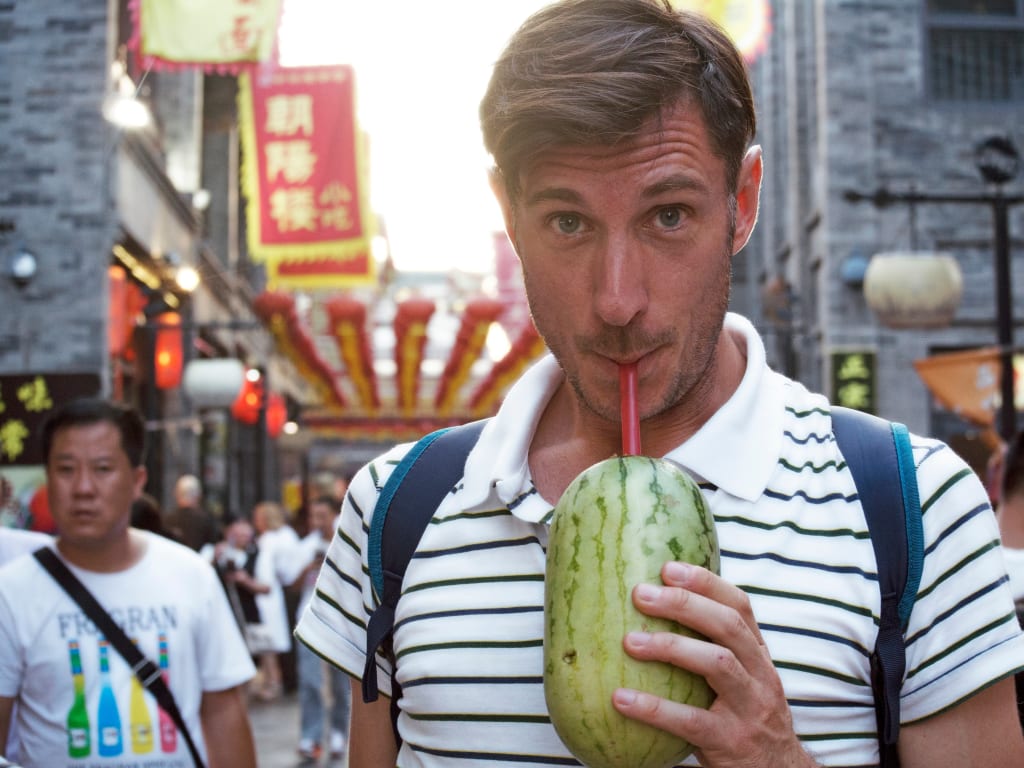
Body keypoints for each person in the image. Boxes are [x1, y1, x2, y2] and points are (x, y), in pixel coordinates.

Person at [296, 2, 1024, 766]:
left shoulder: (916, 510)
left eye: (668, 215)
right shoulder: (393, 511)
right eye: (567, 223)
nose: (618, 301)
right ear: (508, 214)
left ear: (741, 203)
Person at [0, 398, 257, 767]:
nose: (83, 488)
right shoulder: (11, 593)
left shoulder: (189, 576)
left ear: (137, 481)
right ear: (48, 478)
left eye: (103, 469)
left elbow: (223, 712)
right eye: (66, 469)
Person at [294, 495, 349, 762]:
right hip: (308, 618)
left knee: (342, 682)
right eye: (313, 516)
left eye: (322, 515)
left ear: (334, 515)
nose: (317, 521)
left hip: (341, 620)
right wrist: (307, 567)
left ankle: (339, 732)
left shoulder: (347, 541)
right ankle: (311, 737)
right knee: (309, 681)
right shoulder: (305, 546)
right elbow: (289, 584)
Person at [250, 500, 302, 701]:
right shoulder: (288, 535)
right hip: (286, 589)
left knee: (269, 642)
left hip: (274, 591)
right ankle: (282, 680)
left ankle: (274, 682)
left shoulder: (268, 540)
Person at [162, 473, 219, 552]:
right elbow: (211, 548)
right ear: (198, 495)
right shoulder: (206, 519)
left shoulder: (168, 519)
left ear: (176, 494)